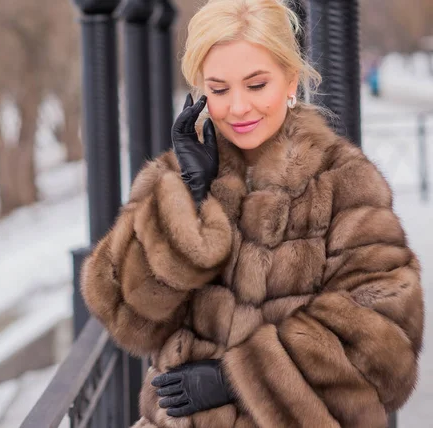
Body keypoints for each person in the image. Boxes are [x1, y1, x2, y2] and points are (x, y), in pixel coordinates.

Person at [81, 0, 424, 426]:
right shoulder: (177, 178)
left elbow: (386, 345)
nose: (239, 107)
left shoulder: (343, 181)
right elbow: (127, 316)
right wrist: (189, 197)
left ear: (290, 79)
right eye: (220, 90)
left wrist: (238, 377)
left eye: (256, 84)